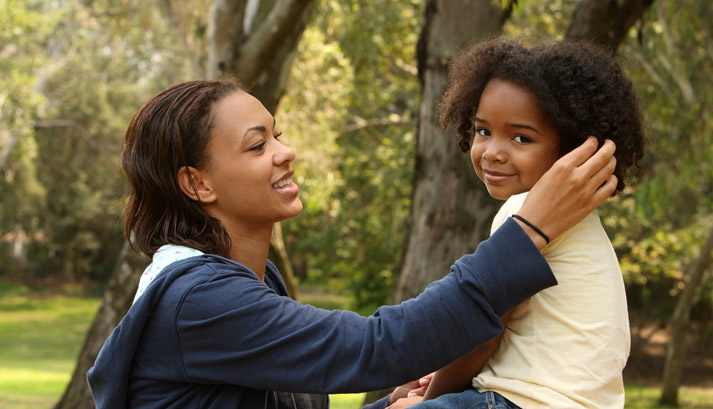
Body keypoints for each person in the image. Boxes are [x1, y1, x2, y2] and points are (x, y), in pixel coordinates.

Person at [86, 76, 618, 409]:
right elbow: (371, 347)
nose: (285, 151)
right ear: (198, 184)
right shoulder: (197, 302)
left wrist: (393, 401)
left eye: (276, 133)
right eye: (257, 145)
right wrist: (531, 232)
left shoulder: (246, 283)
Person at [400, 38, 644, 409]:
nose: (493, 152)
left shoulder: (531, 213)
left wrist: (427, 402)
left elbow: (481, 335)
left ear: (571, 148)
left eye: (521, 137)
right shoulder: (578, 223)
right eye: (483, 131)